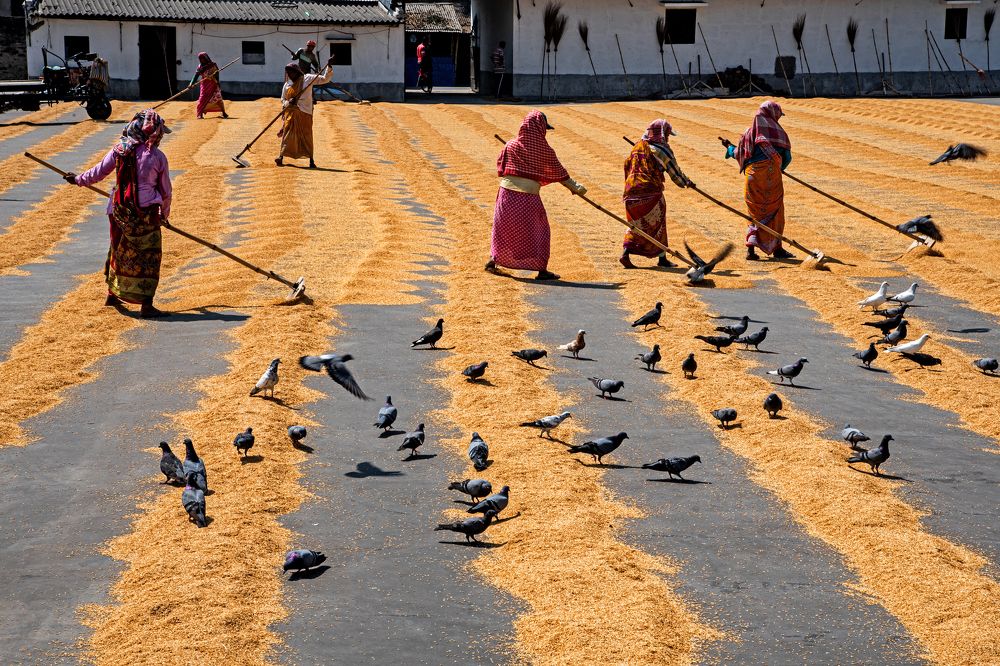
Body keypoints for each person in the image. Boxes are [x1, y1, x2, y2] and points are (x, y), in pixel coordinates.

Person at [63, 110, 172, 318]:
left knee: (117, 249)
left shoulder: (120, 150)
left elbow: (98, 171)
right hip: (144, 215)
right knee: (148, 258)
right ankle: (146, 305)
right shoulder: (157, 157)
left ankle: (112, 294)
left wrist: (78, 179)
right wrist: (164, 215)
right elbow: (166, 191)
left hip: (118, 211)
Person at [487, 110, 586, 281]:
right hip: (528, 198)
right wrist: (576, 188)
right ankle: (541, 270)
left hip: (506, 196)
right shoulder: (544, 150)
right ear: (541, 128)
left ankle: (493, 261)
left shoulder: (510, 145)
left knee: (503, 229)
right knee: (539, 231)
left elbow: (501, 167)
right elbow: (559, 173)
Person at [721, 100, 794, 261]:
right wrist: (778, 167)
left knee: (754, 212)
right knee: (776, 212)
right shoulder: (780, 134)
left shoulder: (750, 133)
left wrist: (728, 147)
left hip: (753, 177)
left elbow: (739, 153)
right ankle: (777, 249)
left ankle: (751, 251)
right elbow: (787, 158)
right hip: (773, 177)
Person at [620, 119, 694, 269]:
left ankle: (626, 253)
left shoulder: (637, 147)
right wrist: (687, 182)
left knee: (636, 224)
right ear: (662, 134)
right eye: (667, 134)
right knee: (659, 224)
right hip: (650, 192)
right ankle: (662, 259)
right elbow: (675, 173)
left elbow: (627, 165)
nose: (668, 138)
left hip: (631, 193)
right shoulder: (662, 150)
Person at [276, 58, 333, 169]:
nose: (290, 75)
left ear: (297, 72)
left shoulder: (308, 79)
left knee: (306, 137)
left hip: (305, 112)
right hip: (291, 113)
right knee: (287, 135)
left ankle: (311, 161)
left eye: (291, 72)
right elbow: (282, 100)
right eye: (288, 73)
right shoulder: (287, 85)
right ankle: (281, 157)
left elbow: (325, 79)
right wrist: (289, 102)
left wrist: (329, 67)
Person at [190, 52, 228, 119]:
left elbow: (217, 74)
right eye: (200, 59)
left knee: (218, 99)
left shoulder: (213, 65)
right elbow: (196, 76)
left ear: (206, 58)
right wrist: (191, 84)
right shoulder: (200, 67)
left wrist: (215, 79)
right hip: (204, 85)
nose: (202, 60)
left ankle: (223, 112)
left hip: (213, 84)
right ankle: (200, 114)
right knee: (202, 98)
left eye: (203, 59)